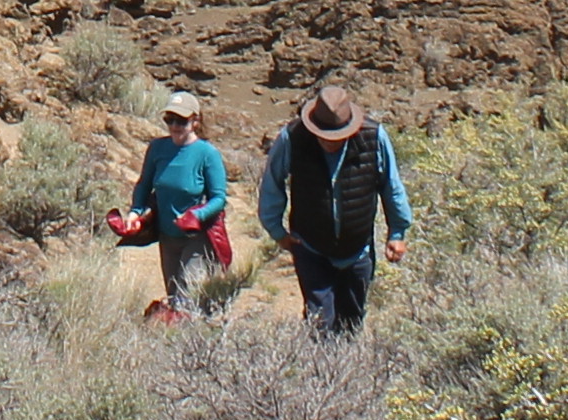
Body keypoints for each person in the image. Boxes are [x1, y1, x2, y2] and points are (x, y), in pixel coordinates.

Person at [258, 83, 412, 338]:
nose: (331, 142)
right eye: (325, 136)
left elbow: (391, 186)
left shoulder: (374, 137)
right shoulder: (293, 138)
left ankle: (348, 372)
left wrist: (398, 232)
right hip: (311, 247)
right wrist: (277, 231)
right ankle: (320, 374)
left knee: (352, 321)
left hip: (358, 249)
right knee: (320, 324)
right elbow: (272, 184)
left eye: (337, 136)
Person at [106, 90, 233, 322]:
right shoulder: (158, 148)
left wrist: (198, 215)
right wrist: (135, 212)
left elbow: (219, 198)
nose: (175, 125)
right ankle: (181, 345)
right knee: (174, 295)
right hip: (167, 237)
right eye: (169, 119)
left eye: (181, 120)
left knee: (187, 295)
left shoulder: (207, 154)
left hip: (197, 238)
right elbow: (144, 184)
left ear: (195, 120)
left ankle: (197, 345)